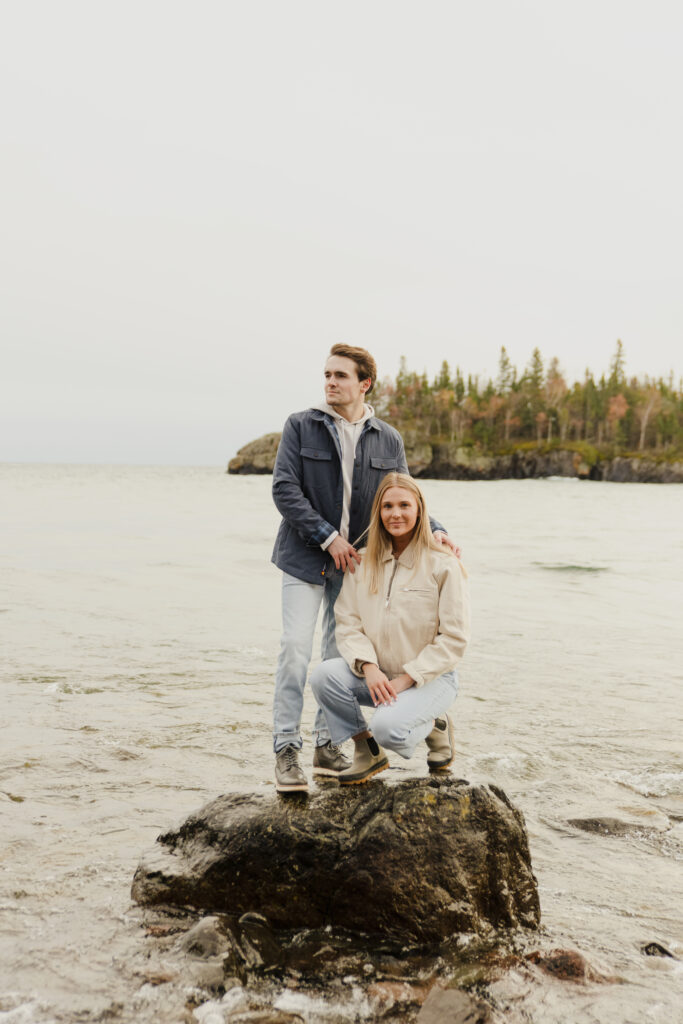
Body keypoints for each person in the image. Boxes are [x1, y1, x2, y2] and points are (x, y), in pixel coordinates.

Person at [271, 345, 457, 792]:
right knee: (296, 651)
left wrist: (436, 531)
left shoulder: (387, 438)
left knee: (341, 658)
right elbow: (284, 488)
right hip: (305, 557)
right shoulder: (301, 425)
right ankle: (285, 749)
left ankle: (327, 745)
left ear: (364, 383)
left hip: (356, 566)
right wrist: (326, 536)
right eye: (327, 375)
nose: (330, 383)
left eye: (340, 376)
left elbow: (402, 492)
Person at [310, 473, 469, 784]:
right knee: (323, 677)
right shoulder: (363, 561)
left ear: (420, 510)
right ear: (378, 513)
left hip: (430, 679)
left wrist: (408, 679)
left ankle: (435, 723)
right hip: (380, 676)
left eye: (404, 505)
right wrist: (368, 667)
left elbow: (454, 640)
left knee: (389, 729)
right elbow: (348, 622)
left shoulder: (443, 564)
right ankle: (366, 749)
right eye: (388, 507)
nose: (396, 514)